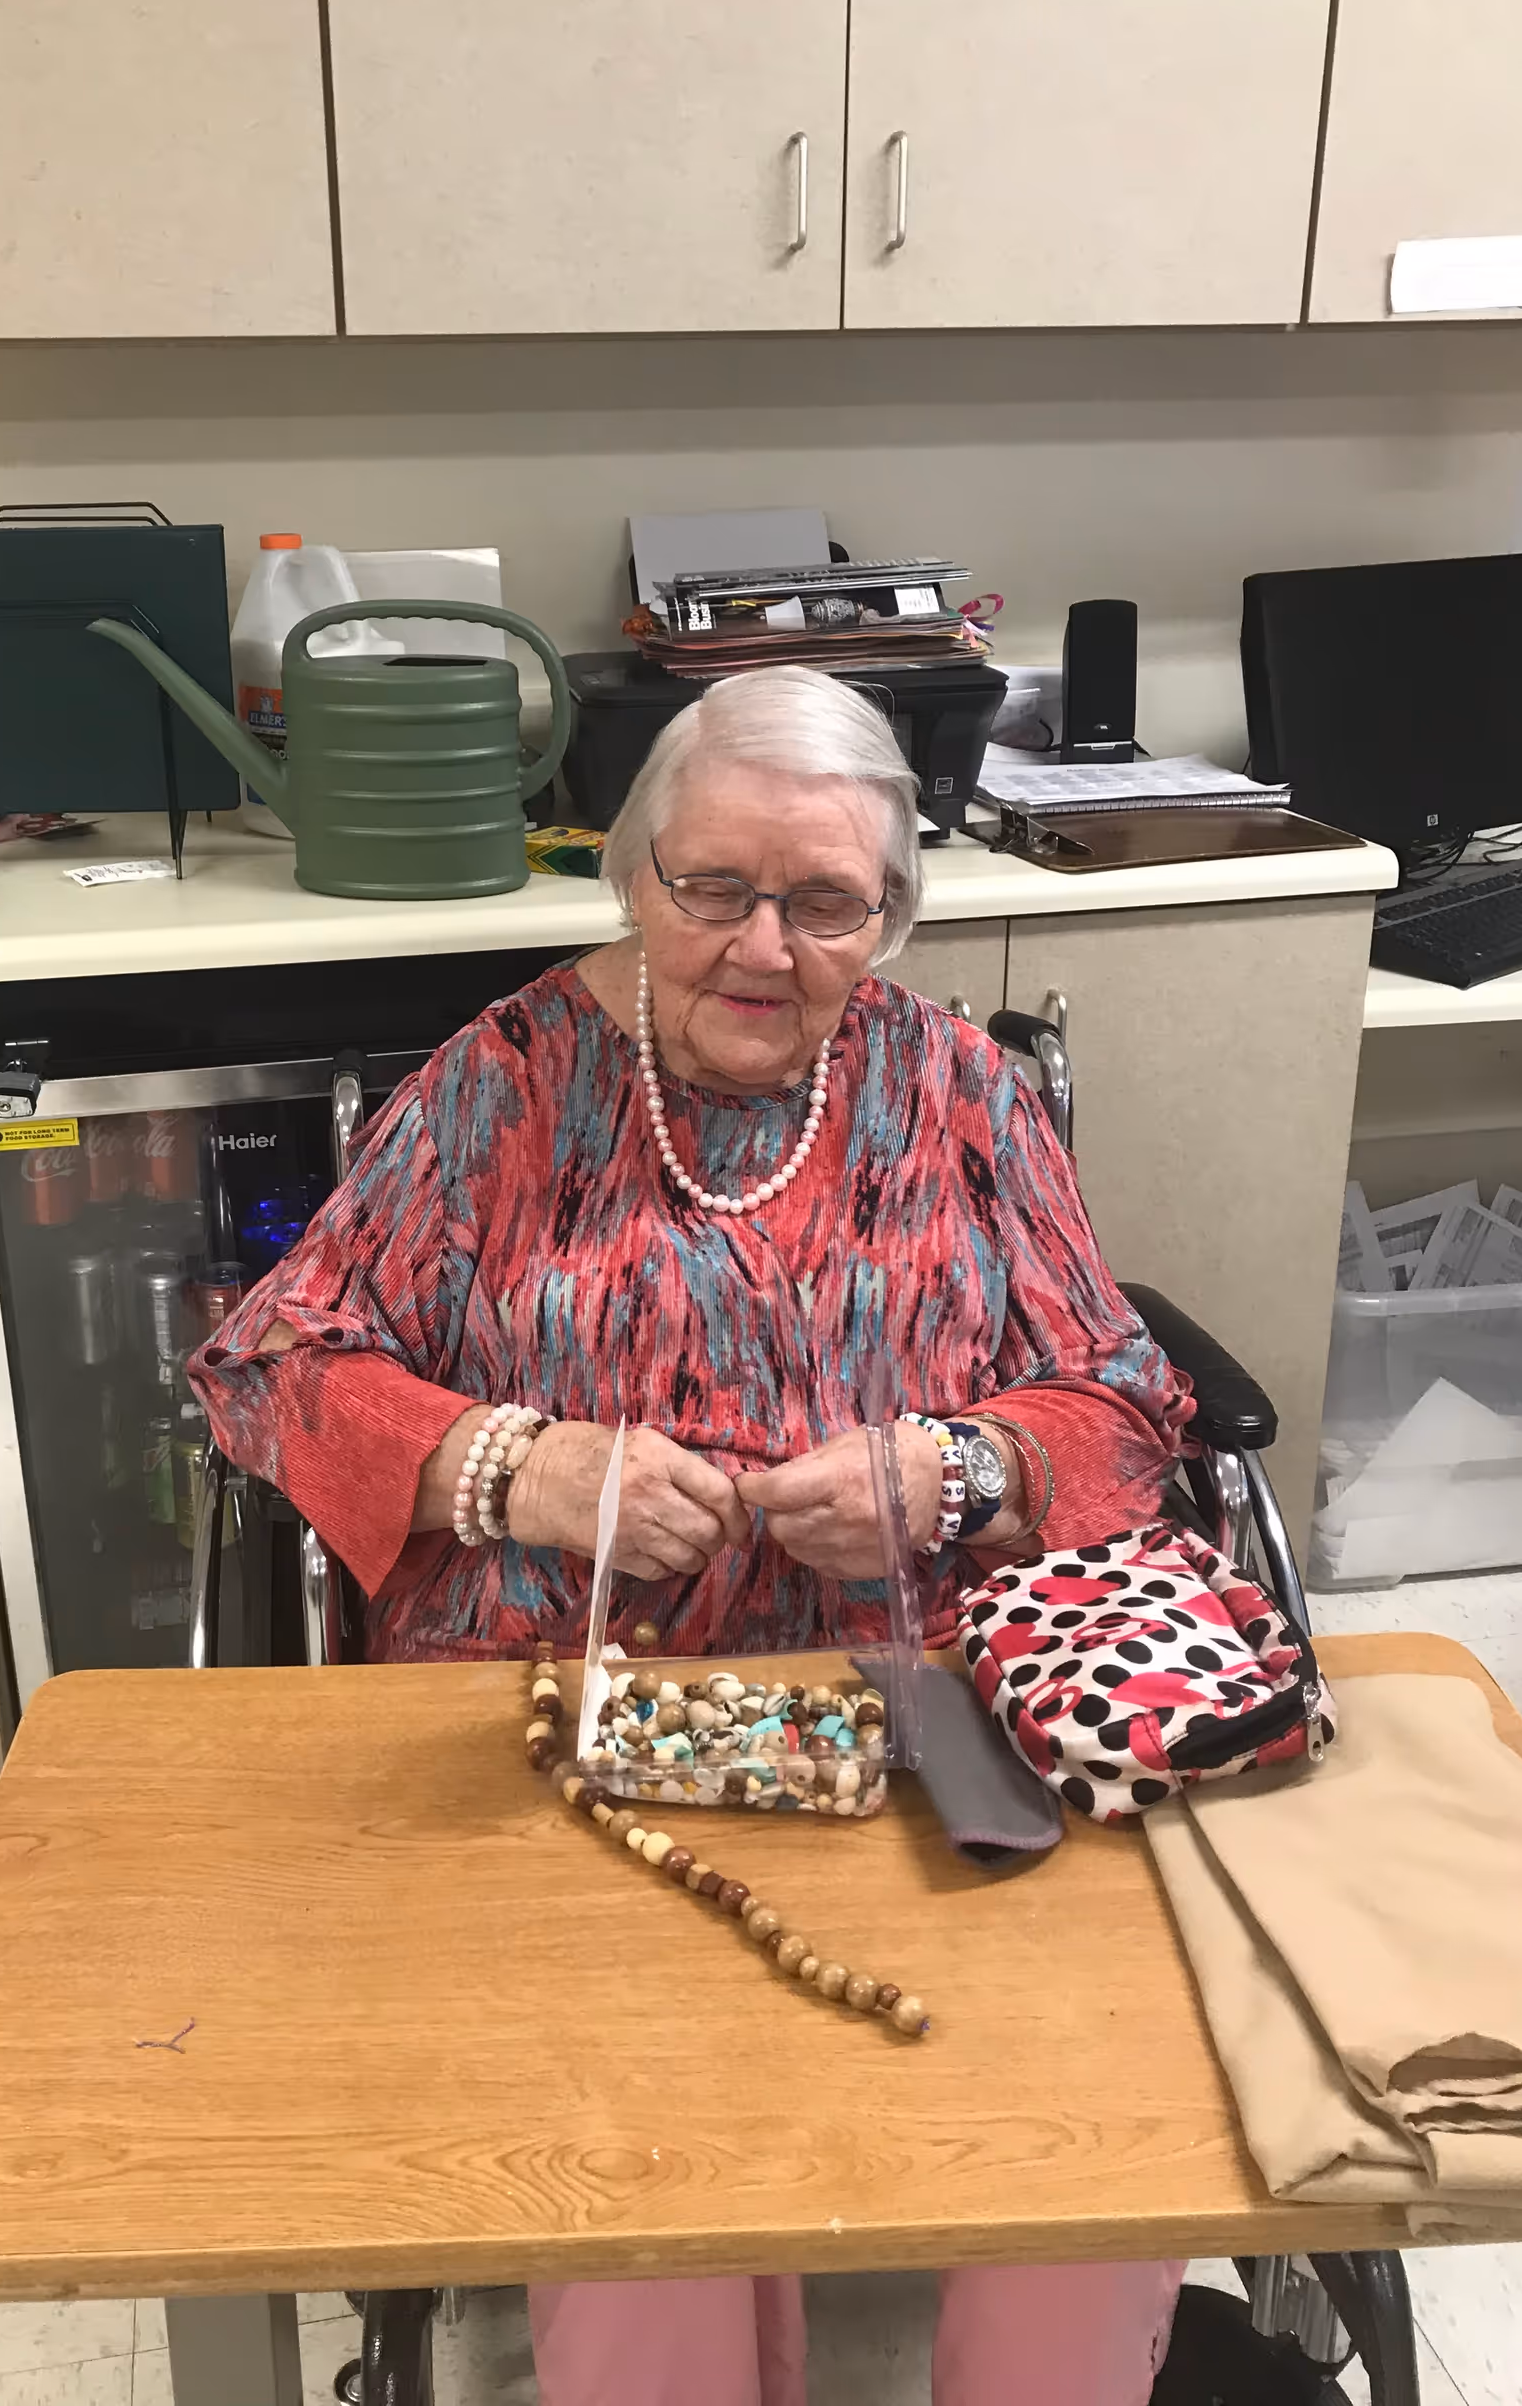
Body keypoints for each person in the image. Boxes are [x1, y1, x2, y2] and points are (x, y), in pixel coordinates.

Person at [193, 664, 1194, 2406]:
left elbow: (1121, 1401)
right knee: (643, 2152)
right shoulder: (503, 1089)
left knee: (1104, 2116)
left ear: (890, 914)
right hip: (573, 1713)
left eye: (823, 903)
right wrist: (514, 1465)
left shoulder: (959, 1092)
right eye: (710, 888)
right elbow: (264, 1369)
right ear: (634, 874)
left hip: (925, 1707)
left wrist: (955, 1472)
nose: (758, 944)